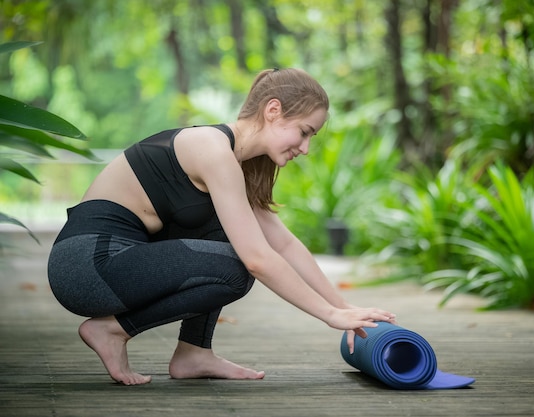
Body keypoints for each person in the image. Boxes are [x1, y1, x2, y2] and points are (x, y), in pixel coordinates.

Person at [47, 68, 396, 386]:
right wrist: (329, 315)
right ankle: (112, 329)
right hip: (86, 266)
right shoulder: (212, 151)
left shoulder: (232, 162)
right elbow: (258, 259)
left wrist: (344, 308)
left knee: (225, 233)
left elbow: (284, 245)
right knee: (236, 266)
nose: (305, 148)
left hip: (107, 264)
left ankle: (193, 353)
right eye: (304, 132)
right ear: (272, 110)